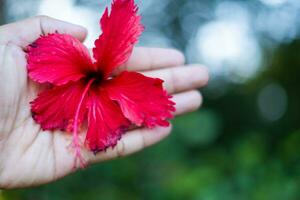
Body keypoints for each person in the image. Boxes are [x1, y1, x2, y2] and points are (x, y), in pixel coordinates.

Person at [0, 16, 209, 189]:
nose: (75, 139)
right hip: (74, 75)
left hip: (101, 89)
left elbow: (123, 18)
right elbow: (43, 56)